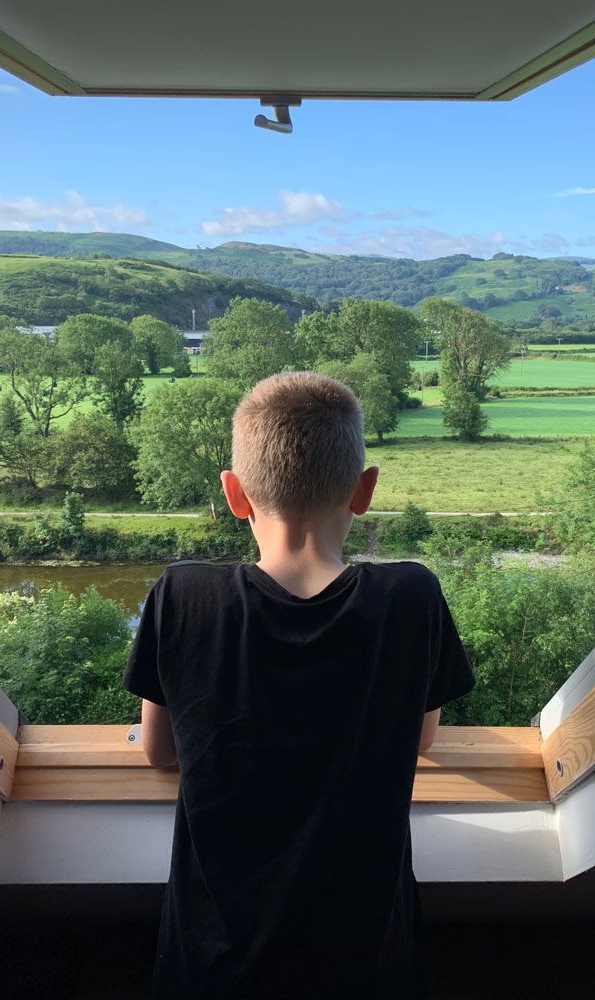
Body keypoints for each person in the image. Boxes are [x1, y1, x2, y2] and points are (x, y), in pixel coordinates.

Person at [124, 371, 474, 999]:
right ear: (364, 491)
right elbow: (421, 739)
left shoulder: (184, 594)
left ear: (235, 494)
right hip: (367, 957)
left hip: (214, 961)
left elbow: (160, 750)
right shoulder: (410, 596)